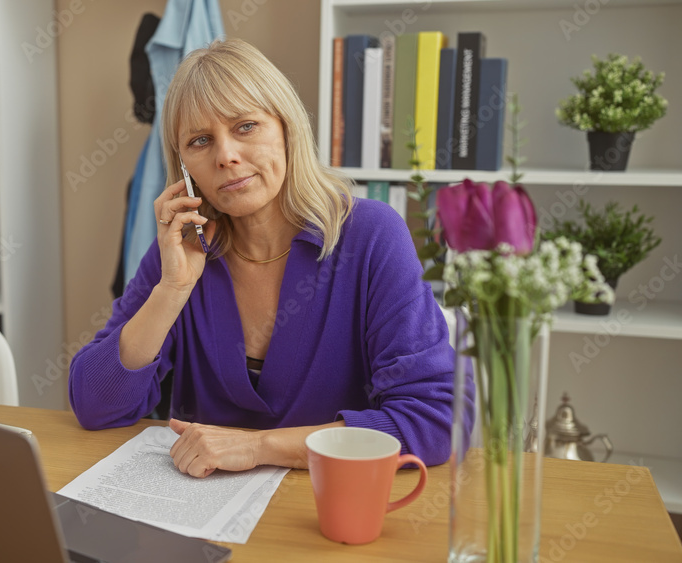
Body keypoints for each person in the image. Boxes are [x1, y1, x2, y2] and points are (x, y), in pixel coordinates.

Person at [69, 39, 459, 478]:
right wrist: (172, 290)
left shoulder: (371, 236)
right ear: (183, 169)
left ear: (287, 128)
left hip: (330, 514)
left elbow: (433, 421)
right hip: (204, 513)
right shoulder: (183, 253)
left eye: (246, 126)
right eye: (200, 141)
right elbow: (94, 404)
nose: (226, 156)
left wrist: (259, 447)